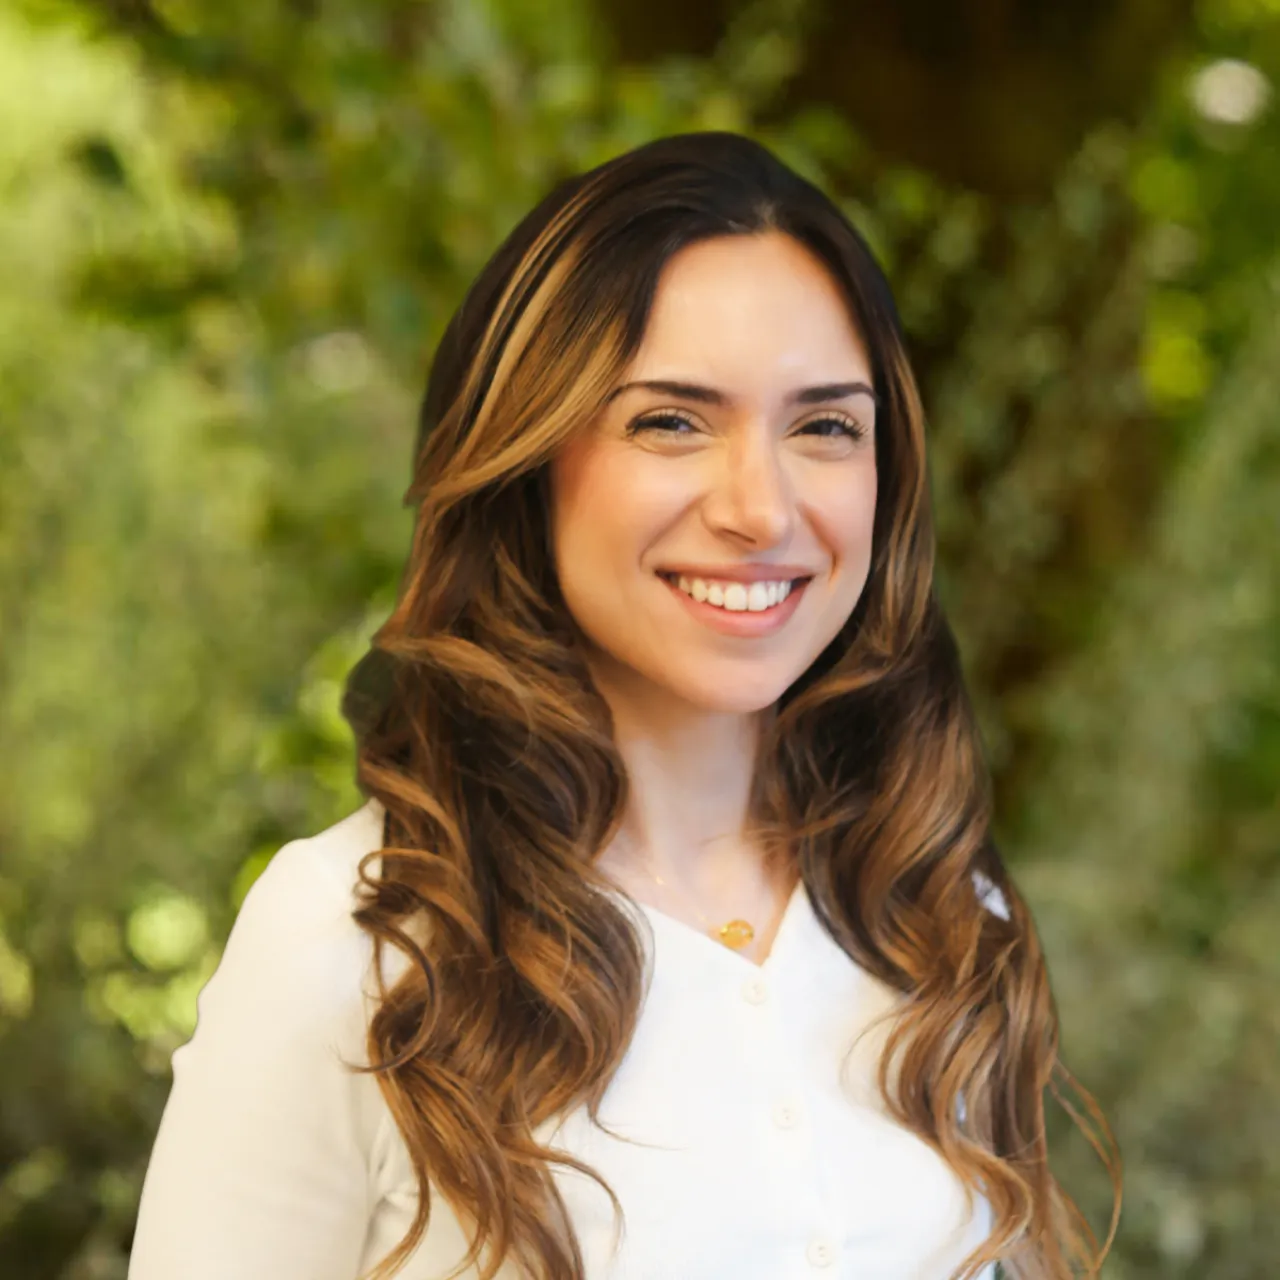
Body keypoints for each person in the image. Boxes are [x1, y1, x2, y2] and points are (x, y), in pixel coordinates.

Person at [127, 131, 1120, 1280]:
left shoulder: (935, 910)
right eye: (670, 420)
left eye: (824, 426)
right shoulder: (353, 941)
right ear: (524, 458)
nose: (761, 507)